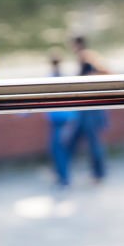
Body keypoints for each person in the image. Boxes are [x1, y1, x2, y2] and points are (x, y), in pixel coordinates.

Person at [67, 35, 109, 183]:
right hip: (86, 109)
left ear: (77, 44)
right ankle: (95, 174)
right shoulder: (84, 56)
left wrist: (91, 79)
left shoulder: (87, 56)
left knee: (93, 142)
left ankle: (98, 174)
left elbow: (107, 72)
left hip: (91, 110)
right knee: (77, 140)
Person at [46, 48, 75, 188]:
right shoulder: (64, 77)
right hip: (65, 120)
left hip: (60, 121)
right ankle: (61, 175)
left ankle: (64, 178)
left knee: (59, 150)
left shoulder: (50, 78)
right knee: (59, 149)